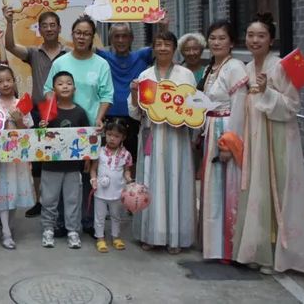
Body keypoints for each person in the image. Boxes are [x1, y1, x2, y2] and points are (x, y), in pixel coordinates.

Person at [233, 13, 304, 274]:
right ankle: (258, 250)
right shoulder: (245, 68)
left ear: (271, 40)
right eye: (250, 35)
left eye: (261, 36)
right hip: (255, 136)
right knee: (257, 191)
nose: (255, 40)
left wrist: (267, 92)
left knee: (279, 189)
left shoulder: (281, 66)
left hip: (278, 137)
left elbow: (292, 106)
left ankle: (280, 252)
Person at [44, 16, 114, 235]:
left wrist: (100, 118)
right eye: (78, 33)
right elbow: (48, 90)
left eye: (86, 33)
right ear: (71, 34)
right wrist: (51, 116)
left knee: (87, 173)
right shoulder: (60, 62)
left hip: (91, 129)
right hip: (62, 130)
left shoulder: (101, 64)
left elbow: (107, 95)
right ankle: (61, 223)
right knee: (63, 175)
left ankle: (87, 221)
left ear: (92, 37)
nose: (81, 37)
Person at [129, 31, 196, 253]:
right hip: (152, 134)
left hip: (177, 136)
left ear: (174, 48)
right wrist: (135, 94)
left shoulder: (185, 75)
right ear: (153, 48)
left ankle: (175, 236)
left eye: (168, 44)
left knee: (176, 181)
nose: (163, 48)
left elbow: (194, 108)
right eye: (159, 44)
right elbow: (136, 111)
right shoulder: (146, 75)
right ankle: (150, 234)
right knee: (150, 180)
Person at [3, 7, 68, 217]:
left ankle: (61, 201)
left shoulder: (69, 54)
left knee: (62, 156)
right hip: (40, 111)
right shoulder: (33, 53)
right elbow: (10, 46)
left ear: (59, 27)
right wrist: (9, 21)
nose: (49, 29)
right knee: (39, 157)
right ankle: (40, 201)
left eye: (52, 25)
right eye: (44, 26)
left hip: (64, 110)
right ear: (39, 29)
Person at [198, 20, 248, 262]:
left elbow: (239, 106)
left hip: (226, 128)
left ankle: (229, 248)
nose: (216, 42)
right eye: (213, 38)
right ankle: (214, 246)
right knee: (213, 189)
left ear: (232, 43)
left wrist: (229, 142)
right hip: (211, 128)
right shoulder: (212, 68)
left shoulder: (235, 67)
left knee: (228, 190)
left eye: (221, 38)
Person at [0, 65, 36, 249]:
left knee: (14, 190)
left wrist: (18, 120)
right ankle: (6, 231)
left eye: (8, 80)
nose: (5, 84)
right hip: (0, 158)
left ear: (14, 81)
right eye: (0, 81)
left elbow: (27, 132)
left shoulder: (21, 104)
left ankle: (10, 225)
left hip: (18, 158)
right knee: (1, 192)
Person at [40, 71, 90, 249]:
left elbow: (86, 139)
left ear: (74, 88)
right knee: (48, 200)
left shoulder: (80, 112)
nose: (65, 86)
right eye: (60, 83)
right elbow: (39, 140)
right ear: (54, 89)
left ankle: (73, 231)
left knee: (72, 200)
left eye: (68, 83)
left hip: (72, 167)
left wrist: (87, 160)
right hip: (50, 166)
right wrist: (42, 128)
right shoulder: (48, 112)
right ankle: (48, 229)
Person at [96, 23, 153, 161]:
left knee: (135, 159)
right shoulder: (103, 57)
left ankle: (134, 183)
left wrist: (163, 26)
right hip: (109, 116)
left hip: (136, 117)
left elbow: (160, 46)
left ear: (131, 38)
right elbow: (85, 47)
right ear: (110, 39)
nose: (121, 40)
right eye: (117, 36)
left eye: (125, 36)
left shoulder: (142, 56)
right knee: (108, 160)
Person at [90, 120, 133, 253]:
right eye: (109, 135)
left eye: (116, 136)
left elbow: (126, 170)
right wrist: (93, 179)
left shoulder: (126, 155)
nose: (112, 138)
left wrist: (129, 179)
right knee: (99, 216)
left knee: (116, 216)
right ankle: (100, 238)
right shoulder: (99, 151)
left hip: (117, 192)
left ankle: (116, 237)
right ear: (105, 134)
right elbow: (93, 169)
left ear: (123, 138)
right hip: (100, 192)